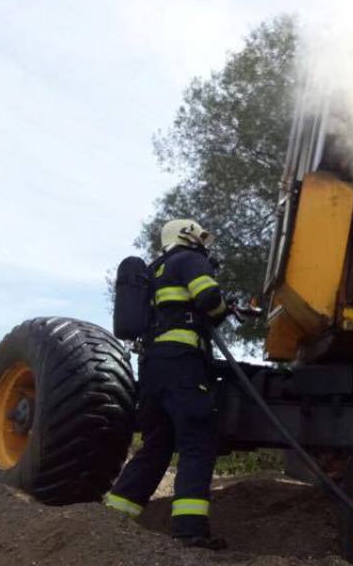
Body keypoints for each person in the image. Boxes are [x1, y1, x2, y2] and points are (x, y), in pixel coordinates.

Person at [105, 219, 229, 548]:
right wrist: (224, 309)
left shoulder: (152, 272)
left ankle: (111, 520)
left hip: (151, 368)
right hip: (182, 366)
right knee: (197, 441)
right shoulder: (189, 259)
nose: (203, 243)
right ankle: (189, 530)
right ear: (188, 235)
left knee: (156, 446)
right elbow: (208, 297)